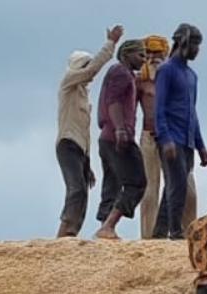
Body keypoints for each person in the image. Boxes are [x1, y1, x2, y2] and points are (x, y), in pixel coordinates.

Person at [55, 25, 124, 237]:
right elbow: (92, 70)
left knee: (83, 192)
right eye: (83, 65)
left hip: (79, 147)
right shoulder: (68, 83)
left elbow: (84, 132)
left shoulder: (83, 94)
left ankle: (72, 234)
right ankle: (62, 234)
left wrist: (87, 161)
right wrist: (110, 44)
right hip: (67, 144)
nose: (88, 71)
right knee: (75, 189)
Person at [152, 23, 207, 240]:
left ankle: (159, 232)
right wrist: (165, 138)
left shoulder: (192, 76)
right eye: (194, 43)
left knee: (174, 186)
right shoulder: (166, 70)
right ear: (183, 42)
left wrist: (201, 145)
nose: (197, 49)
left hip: (187, 139)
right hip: (171, 136)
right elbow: (159, 107)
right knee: (177, 186)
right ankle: (175, 231)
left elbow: (192, 113)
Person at [137, 34, 198, 239]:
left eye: (157, 53)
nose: (153, 57)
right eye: (149, 53)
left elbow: (189, 110)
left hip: (176, 138)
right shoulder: (141, 81)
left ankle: (189, 234)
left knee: (186, 189)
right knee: (150, 190)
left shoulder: (177, 76)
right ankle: (150, 237)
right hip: (149, 137)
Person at [94, 40, 148, 239]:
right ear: (127, 54)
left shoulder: (122, 74)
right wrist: (120, 130)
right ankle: (109, 225)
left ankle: (104, 226)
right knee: (137, 182)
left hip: (105, 138)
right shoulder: (121, 72)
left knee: (112, 183)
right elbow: (114, 101)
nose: (144, 60)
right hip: (117, 135)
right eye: (140, 55)